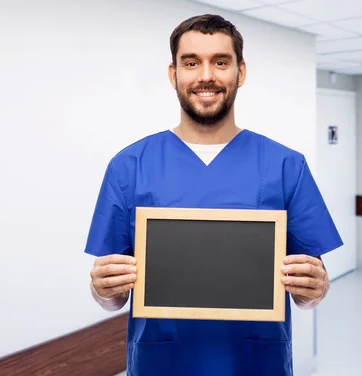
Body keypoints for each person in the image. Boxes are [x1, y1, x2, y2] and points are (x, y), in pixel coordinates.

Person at [84, 14, 343, 376]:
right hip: (161, 363)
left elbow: (308, 292)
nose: (206, 75)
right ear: (174, 74)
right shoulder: (129, 166)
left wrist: (314, 288)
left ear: (241, 72)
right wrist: (103, 289)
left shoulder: (286, 166)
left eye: (221, 62)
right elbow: (111, 297)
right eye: (192, 63)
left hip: (256, 364)